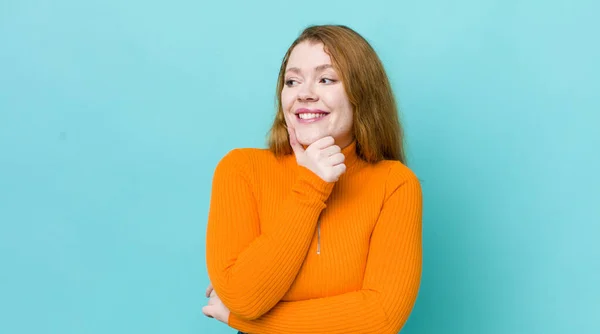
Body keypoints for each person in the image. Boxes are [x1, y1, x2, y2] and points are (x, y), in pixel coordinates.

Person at [202, 24, 423, 334]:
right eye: (292, 81)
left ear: (362, 93)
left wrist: (244, 322)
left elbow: (380, 317)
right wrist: (312, 185)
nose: (304, 93)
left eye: (326, 79)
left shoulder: (395, 184)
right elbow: (244, 297)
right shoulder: (241, 169)